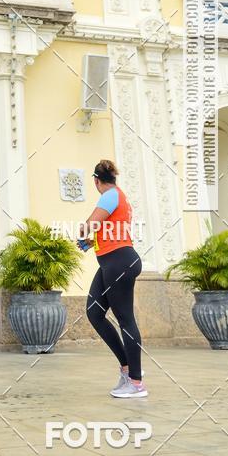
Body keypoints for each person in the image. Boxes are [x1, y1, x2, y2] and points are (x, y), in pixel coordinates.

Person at [78, 159, 147, 398]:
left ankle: (136, 383)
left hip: (119, 262)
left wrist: (83, 232)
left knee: (125, 319)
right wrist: (92, 241)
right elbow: (110, 229)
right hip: (113, 262)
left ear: (96, 181)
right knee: (94, 312)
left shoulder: (109, 195)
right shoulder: (118, 197)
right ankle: (127, 369)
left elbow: (89, 225)